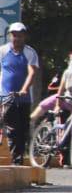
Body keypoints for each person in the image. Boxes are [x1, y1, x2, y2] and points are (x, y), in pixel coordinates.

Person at [0, 23, 39, 165]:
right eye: (15, 35)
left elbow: (32, 72)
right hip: (6, 96)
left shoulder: (29, 52)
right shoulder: (3, 51)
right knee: (13, 129)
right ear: (10, 36)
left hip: (24, 98)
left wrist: (24, 89)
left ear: (25, 36)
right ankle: (16, 160)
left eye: (20, 35)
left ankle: (19, 159)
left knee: (23, 129)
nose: (17, 38)